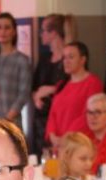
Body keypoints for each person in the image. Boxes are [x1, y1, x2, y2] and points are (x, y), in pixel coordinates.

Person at [45, 42, 103, 149]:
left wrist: (67, 137)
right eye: (64, 57)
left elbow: (88, 116)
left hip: (79, 144)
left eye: (71, 57)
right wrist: (52, 136)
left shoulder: (93, 83)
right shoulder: (61, 85)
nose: (66, 61)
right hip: (59, 145)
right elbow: (52, 114)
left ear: (83, 60)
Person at [30, 13, 71, 155]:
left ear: (53, 33)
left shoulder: (68, 58)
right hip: (41, 118)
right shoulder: (44, 59)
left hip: (60, 117)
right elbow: (34, 86)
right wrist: (36, 98)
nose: (40, 34)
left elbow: (73, 85)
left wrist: (51, 89)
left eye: (43, 31)